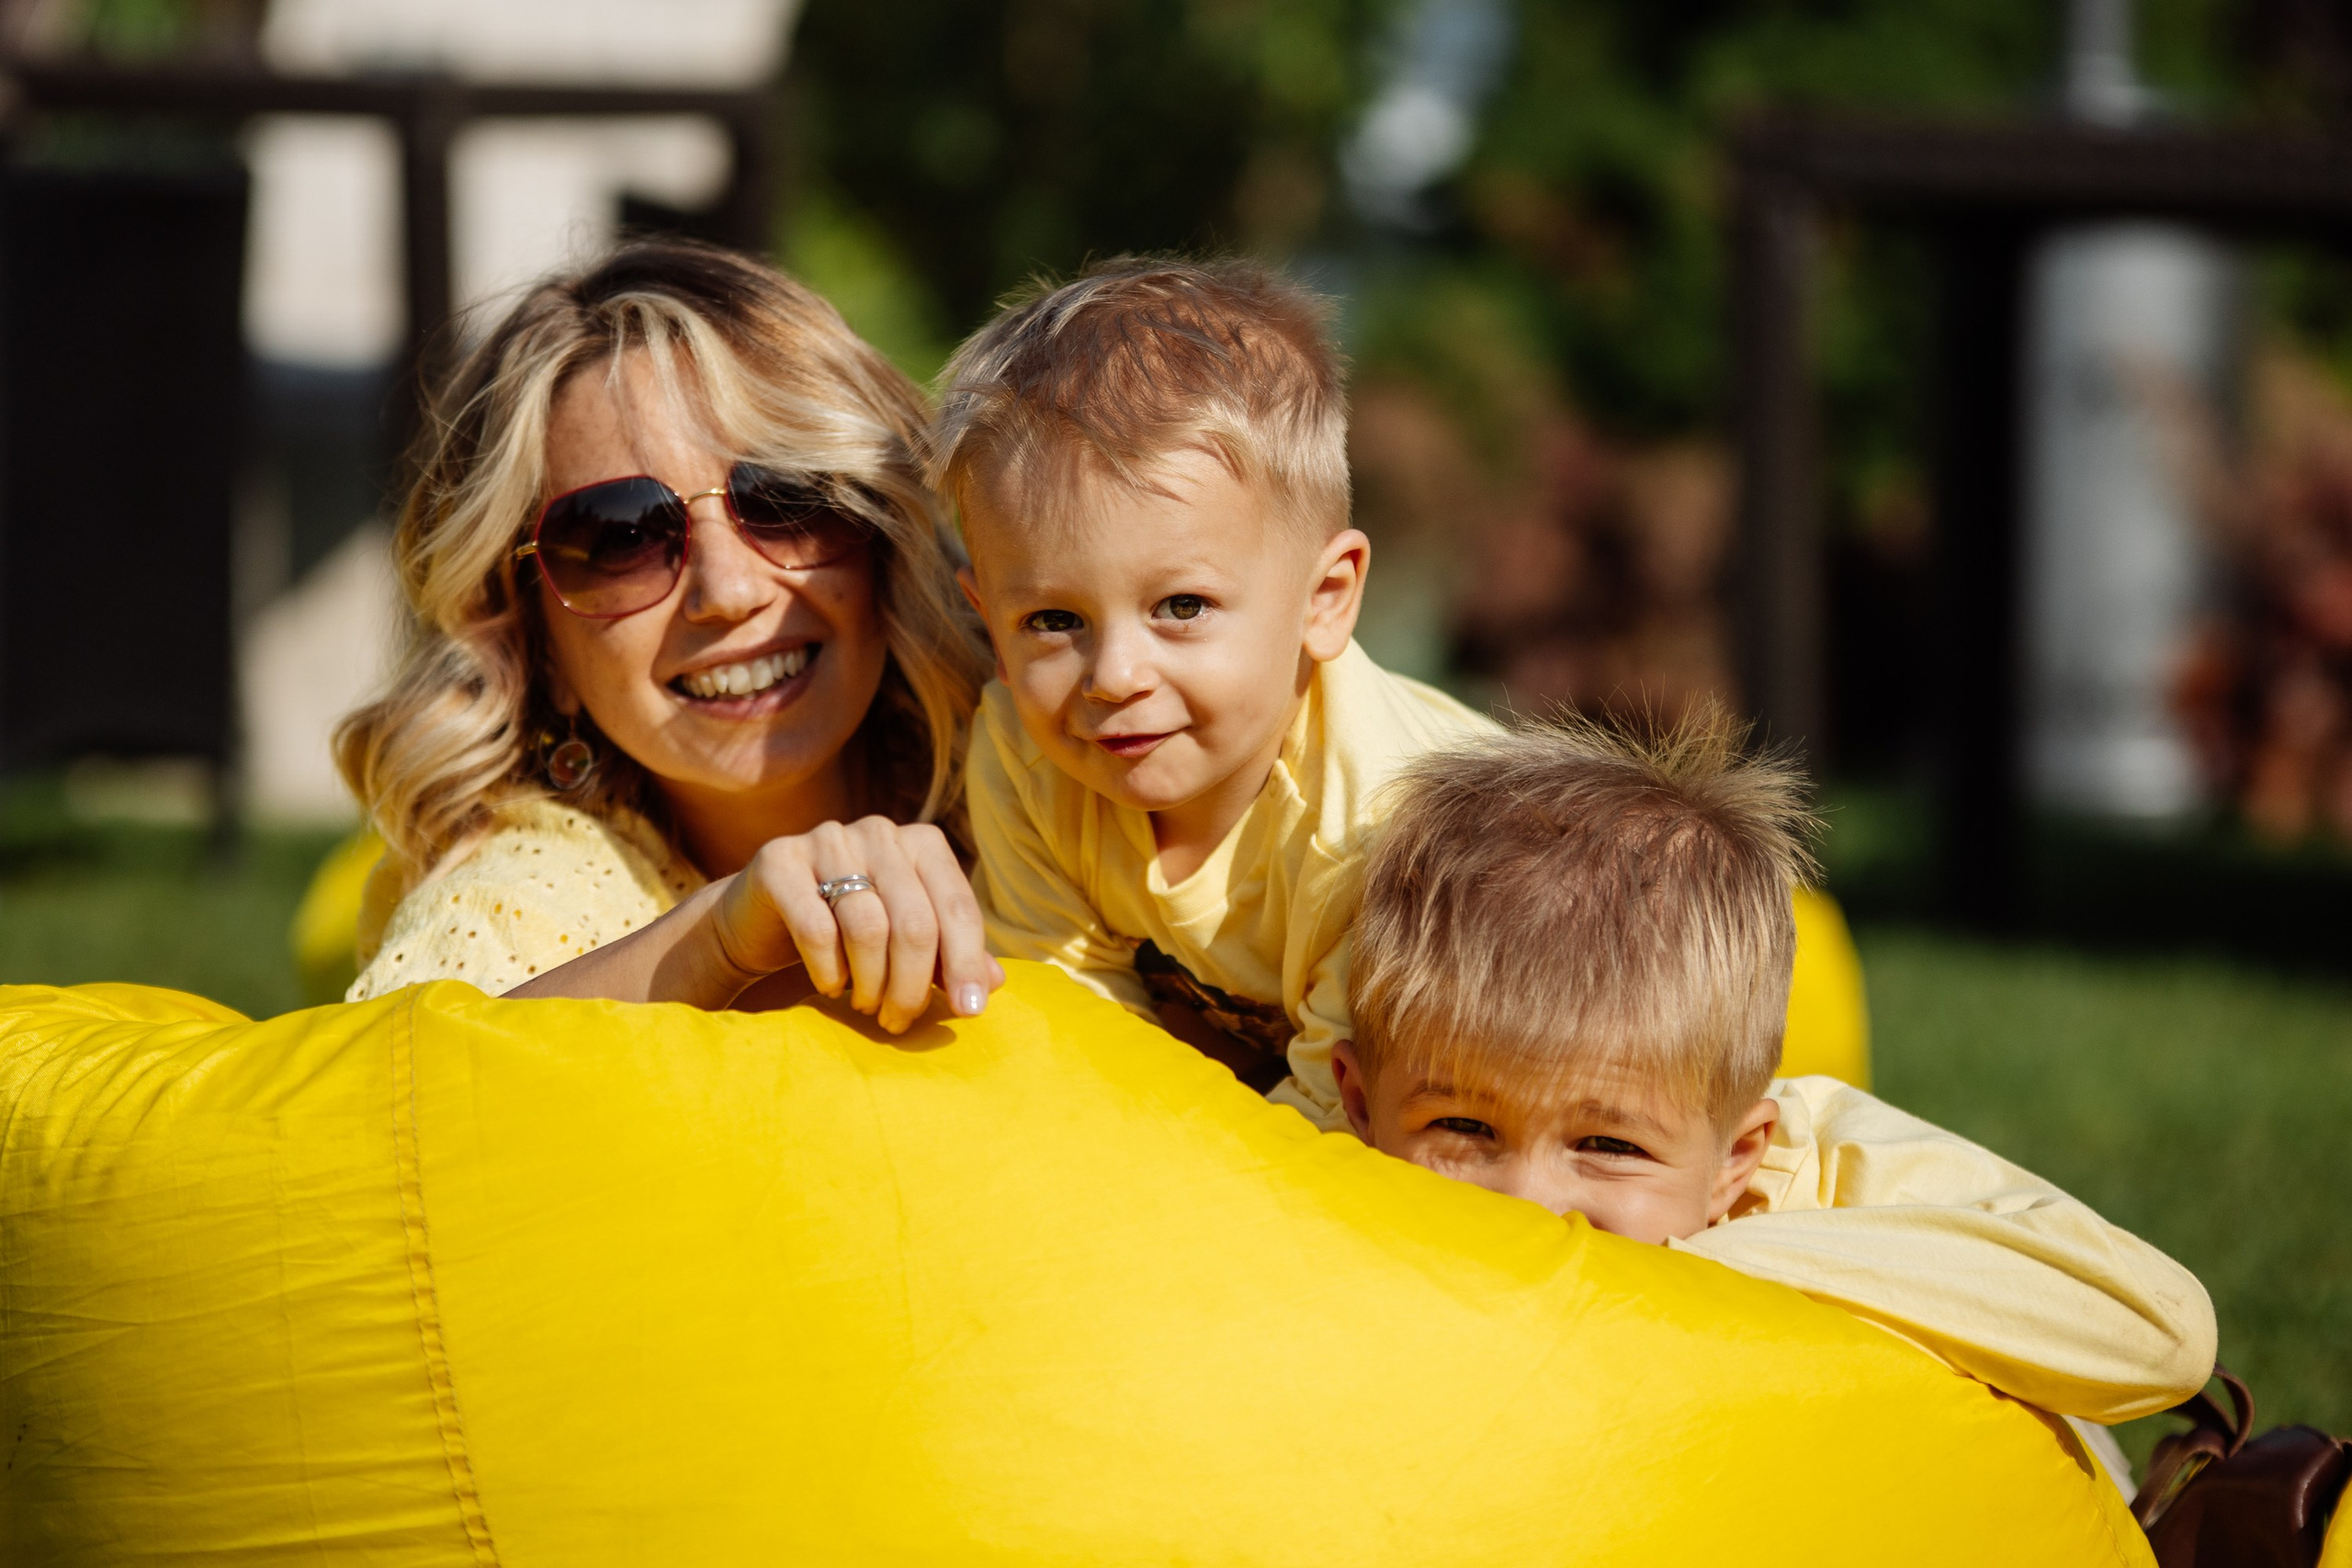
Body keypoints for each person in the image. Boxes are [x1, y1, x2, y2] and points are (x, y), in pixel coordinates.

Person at [1329, 706, 2217, 1430]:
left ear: (1737, 1158)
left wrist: (1719, 1265)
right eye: (1464, 1127)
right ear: (1360, 1105)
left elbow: (2165, 1330)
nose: (1527, 1202)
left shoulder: (1823, 1164)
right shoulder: (1326, 1160)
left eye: (1607, 1144)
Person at [338, 243, 1000, 1031]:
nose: (728, 592)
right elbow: (387, 1104)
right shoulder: (508, 903)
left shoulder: (1058, 762)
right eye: (620, 536)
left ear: (883, 529)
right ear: (533, 641)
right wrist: (717, 937)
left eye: (787, 496)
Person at [937, 256, 1497, 1127]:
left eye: (1182, 607)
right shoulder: (1022, 755)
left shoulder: (1386, 827)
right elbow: (1070, 1025)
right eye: (1052, 620)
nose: (1116, 676)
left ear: (1325, 599)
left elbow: (1337, 1116)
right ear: (989, 621)